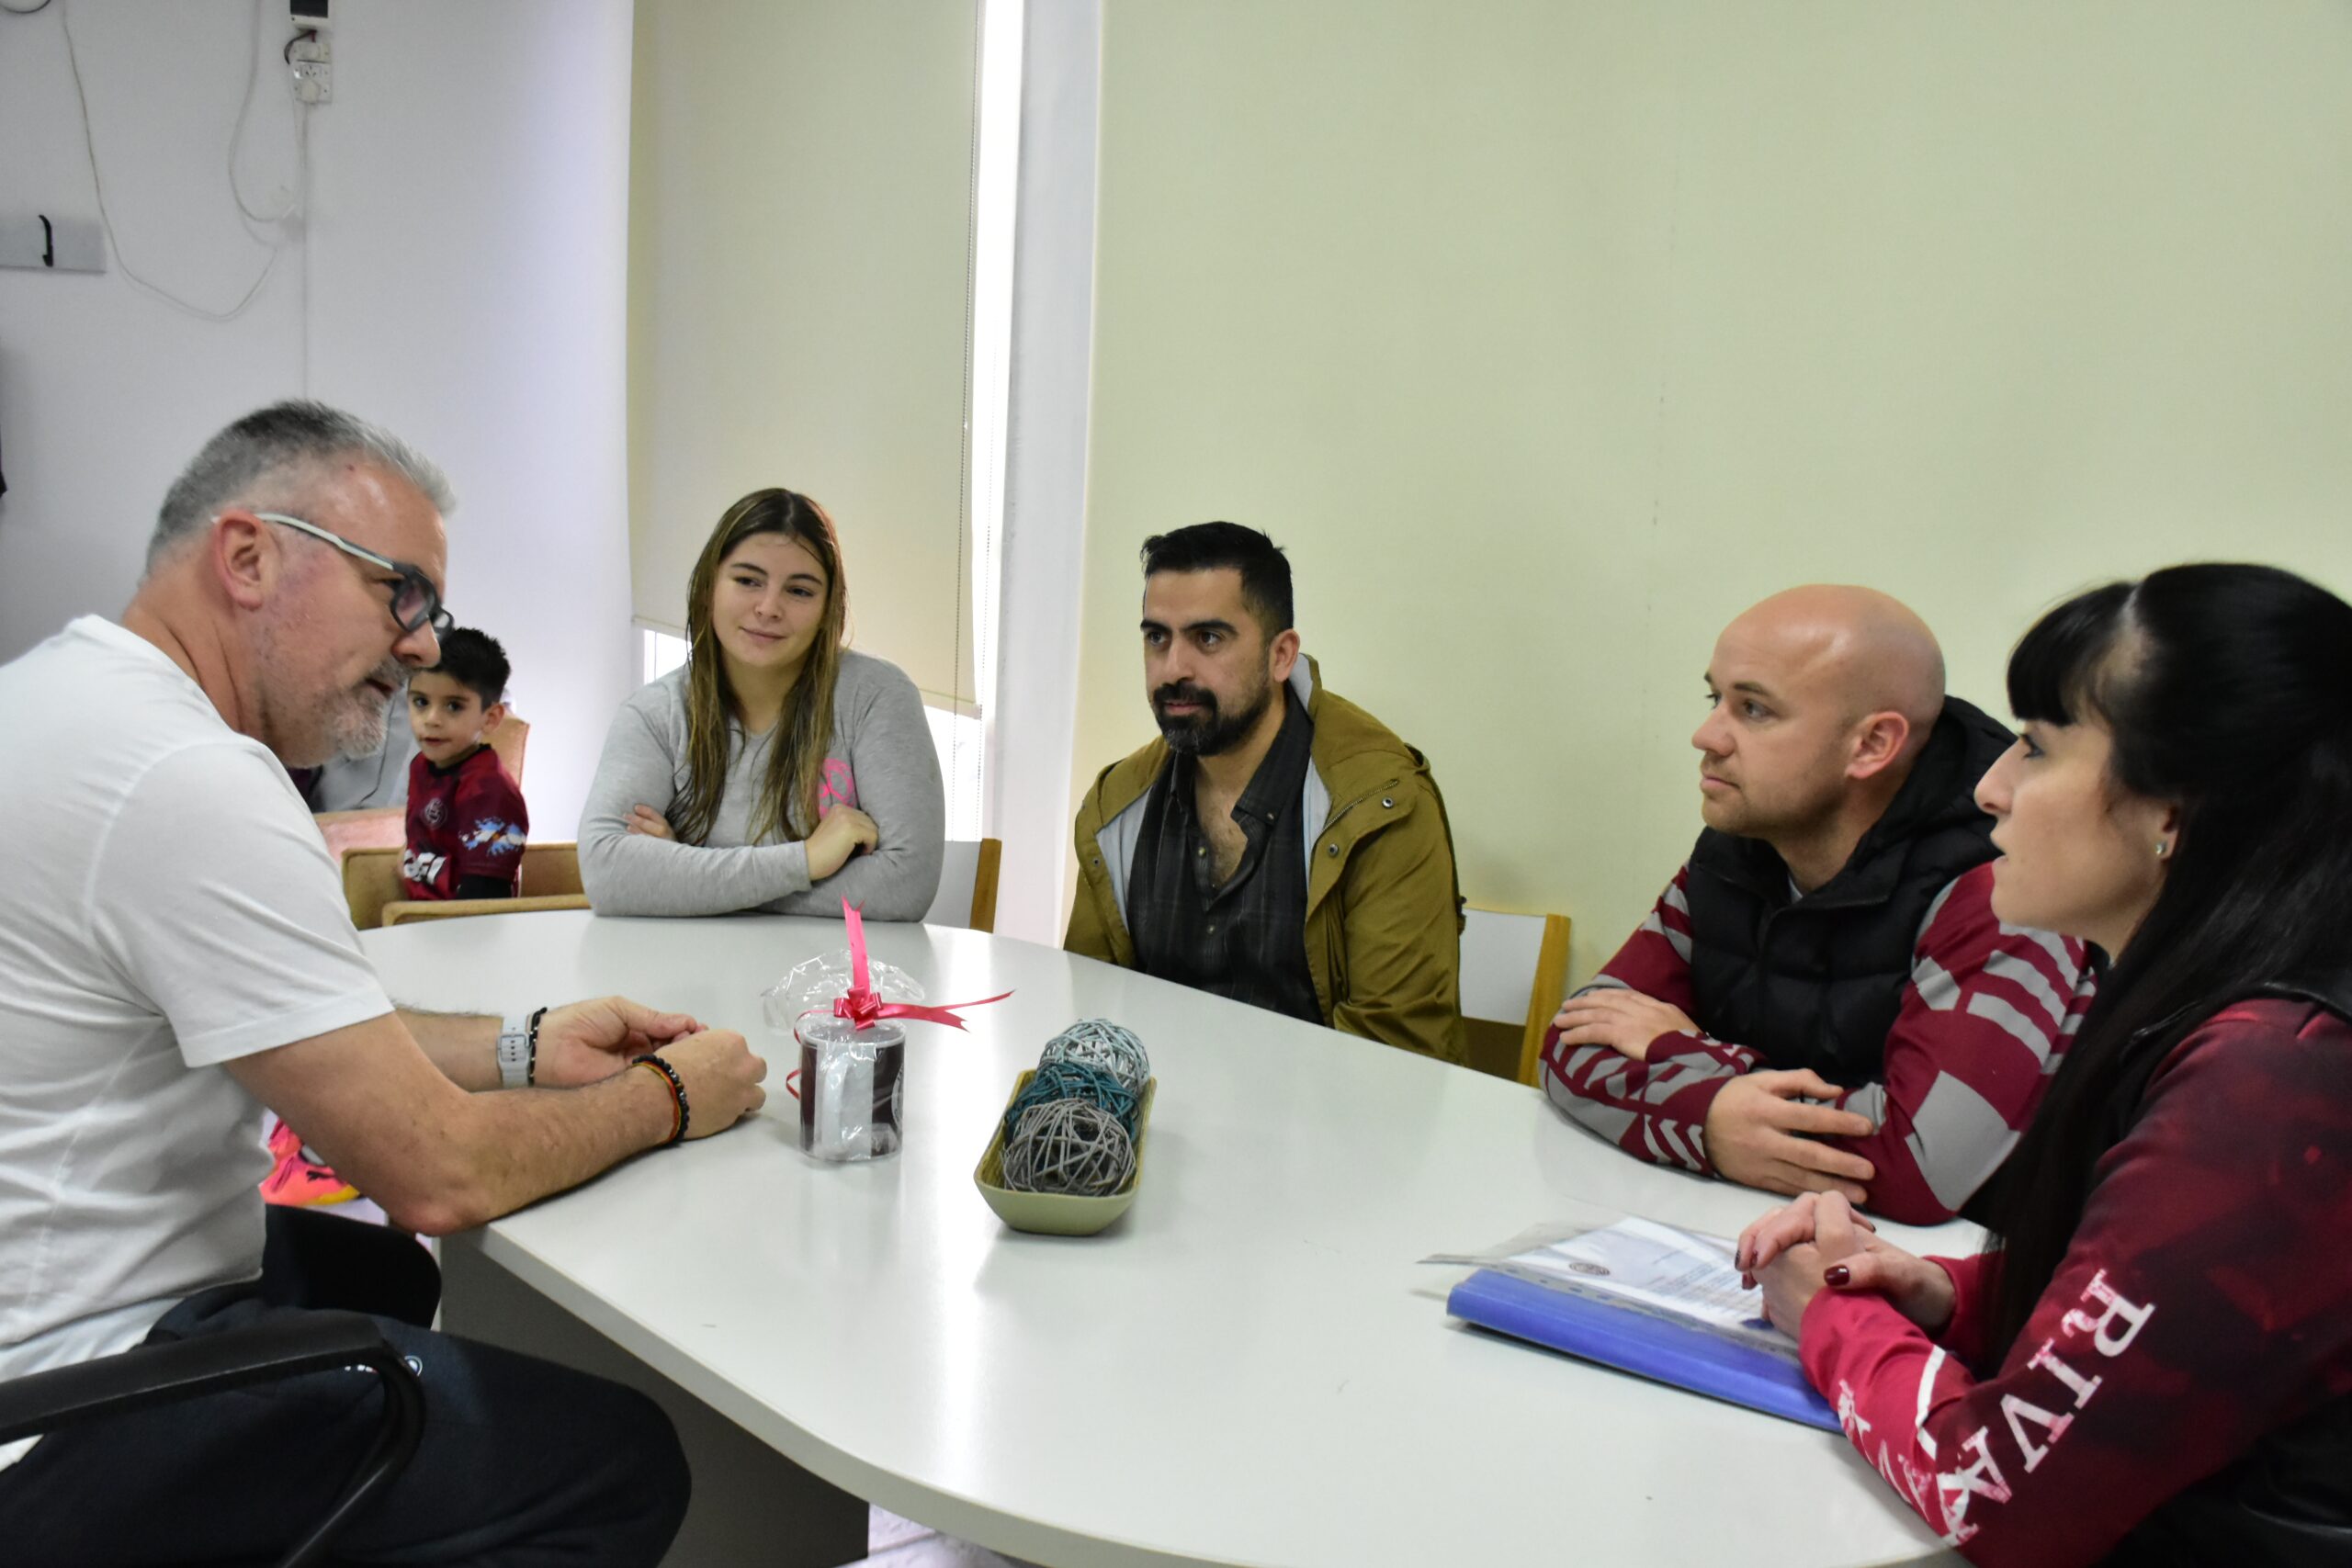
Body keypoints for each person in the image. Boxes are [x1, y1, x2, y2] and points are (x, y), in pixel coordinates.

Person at [0, 401, 771, 1567]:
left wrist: (525, 1042)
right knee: (622, 1461)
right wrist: (668, 1094)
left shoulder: (61, 694)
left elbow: (300, 1025)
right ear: (248, 557)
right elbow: (438, 1175)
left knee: (379, 1277)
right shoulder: (189, 779)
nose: (422, 644)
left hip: (46, 1306)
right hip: (66, 1406)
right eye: (400, 592)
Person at [1740, 564, 2352, 1564]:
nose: (1990, 785)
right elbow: (2199, 1324)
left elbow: (1998, 1497)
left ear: (2174, 809)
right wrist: (1950, 1293)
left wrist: (1832, 1316)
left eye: (2037, 746)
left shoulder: (2274, 1074)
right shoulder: (2244, 1004)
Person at [1542, 586, 2092, 1224]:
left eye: (1753, 709)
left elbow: (1917, 1167)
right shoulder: (1738, 846)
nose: (1705, 735)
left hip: (1949, 1295)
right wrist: (1716, 1120)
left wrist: (1682, 1058)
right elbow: (1575, 1040)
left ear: (1872, 745)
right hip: (1747, 1245)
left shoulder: (2006, 889)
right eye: (1713, 697)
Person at [1066, 522, 1466, 1062]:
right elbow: (1089, 1019)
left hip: (1330, 1136)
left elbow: (1394, 1064)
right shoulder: (1115, 809)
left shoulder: (1380, 808)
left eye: (1208, 638)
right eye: (1157, 637)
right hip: (1158, 1127)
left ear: (1281, 656)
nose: (1173, 668)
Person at [578, 487, 944, 919]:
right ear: (710, 585)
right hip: (692, 980)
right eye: (748, 580)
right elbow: (608, 875)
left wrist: (689, 876)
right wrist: (807, 860)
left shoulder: (877, 697)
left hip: (832, 980)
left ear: (829, 607)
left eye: (800, 591)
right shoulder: (654, 714)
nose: (768, 607)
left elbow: (906, 885)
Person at [400, 626, 528, 900]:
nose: (432, 719)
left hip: (462, 932)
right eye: (421, 702)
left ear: (491, 718)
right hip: (415, 920)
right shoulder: (421, 766)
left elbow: (482, 904)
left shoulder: (490, 792)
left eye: (454, 706)